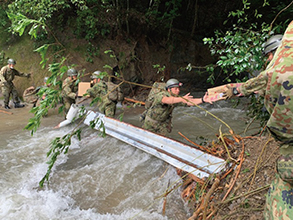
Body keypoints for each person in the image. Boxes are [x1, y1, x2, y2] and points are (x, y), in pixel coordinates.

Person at [219, 21, 293, 219]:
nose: (269, 59)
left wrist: (231, 91)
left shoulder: (275, 74)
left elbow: (251, 86)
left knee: (277, 205)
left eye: (269, 54)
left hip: (290, 156)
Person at [142, 78, 211, 136]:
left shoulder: (176, 98)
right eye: (175, 89)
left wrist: (202, 100)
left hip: (162, 124)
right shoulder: (161, 95)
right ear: (169, 89)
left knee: (163, 143)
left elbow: (189, 102)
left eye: (178, 88)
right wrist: (181, 99)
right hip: (150, 123)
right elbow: (167, 100)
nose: (178, 91)